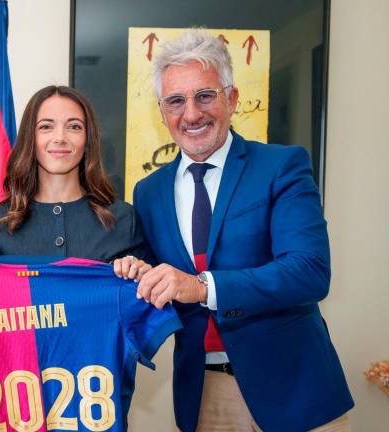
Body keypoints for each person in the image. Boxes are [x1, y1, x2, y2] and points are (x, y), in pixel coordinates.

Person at [133, 30, 353, 431]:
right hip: (204, 395)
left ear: (231, 99)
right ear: (162, 111)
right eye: (176, 101)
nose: (192, 114)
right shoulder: (148, 193)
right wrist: (132, 272)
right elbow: (157, 284)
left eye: (205, 95)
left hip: (295, 388)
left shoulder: (281, 166)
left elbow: (309, 271)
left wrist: (203, 287)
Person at [0, 85, 150, 280]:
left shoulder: (123, 219)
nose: (60, 137)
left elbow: (148, 303)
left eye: (74, 127)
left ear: (88, 140)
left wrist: (140, 274)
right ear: (30, 138)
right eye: (46, 127)